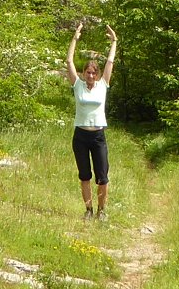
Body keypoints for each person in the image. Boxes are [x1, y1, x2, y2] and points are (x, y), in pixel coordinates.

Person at [64, 19, 117, 219]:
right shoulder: (77, 85)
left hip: (98, 136)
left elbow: (110, 62)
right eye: (88, 72)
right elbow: (69, 61)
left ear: (97, 74)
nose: (91, 76)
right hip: (80, 136)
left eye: (94, 73)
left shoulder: (103, 84)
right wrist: (75, 38)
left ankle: (102, 211)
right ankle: (88, 210)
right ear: (84, 73)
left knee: (102, 177)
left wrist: (114, 41)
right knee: (84, 175)